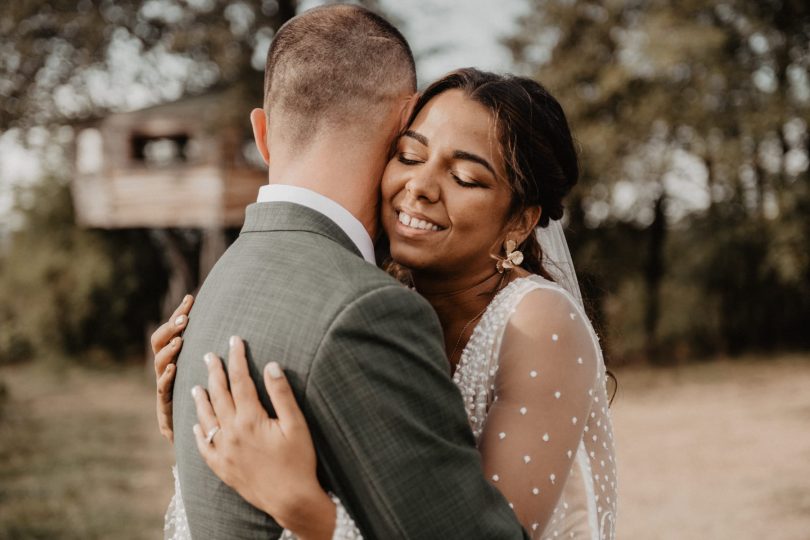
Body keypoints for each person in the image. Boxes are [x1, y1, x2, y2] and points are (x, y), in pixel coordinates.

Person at [154, 63, 618, 540]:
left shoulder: (538, 322)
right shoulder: (380, 307)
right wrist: (195, 406)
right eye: (409, 156)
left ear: (520, 221)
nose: (420, 186)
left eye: (464, 177)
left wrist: (302, 508)